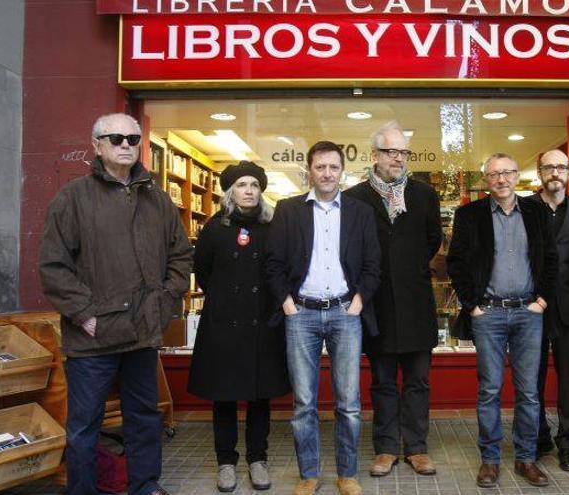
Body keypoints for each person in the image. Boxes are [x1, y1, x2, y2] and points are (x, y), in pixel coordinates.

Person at [39, 113, 191, 495]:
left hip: (142, 334)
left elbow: (181, 255)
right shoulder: (73, 198)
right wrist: (84, 314)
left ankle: (144, 486)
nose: (126, 144)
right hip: (93, 339)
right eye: (116, 138)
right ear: (97, 145)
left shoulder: (158, 200)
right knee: (84, 427)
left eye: (133, 138)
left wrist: (164, 300)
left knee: (144, 419)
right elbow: (54, 266)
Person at [265, 141, 381, 495]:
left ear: (342, 170)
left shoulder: (360, 212)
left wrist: (359, 301)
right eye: (320, 167)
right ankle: (309, 474)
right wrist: (287, 303)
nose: (327, 174)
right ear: (309, 171)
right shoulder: (288, 210)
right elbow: (273, 263)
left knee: (348, 403)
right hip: (301, 313)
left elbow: (374, 264)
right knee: (304, 404)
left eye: (333, 167)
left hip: (346, 312)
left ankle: (347, 474)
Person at [447, 153, 557, 488]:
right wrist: (472, 305)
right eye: (494, 174)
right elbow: (457, 263)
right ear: (487, 179)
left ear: (516, 175)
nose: (502, 179)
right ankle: (490, 460)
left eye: (508, 172)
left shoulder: (537, 212)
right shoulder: (469, 215)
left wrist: (541, 301)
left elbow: (551, 258)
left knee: (528, 391)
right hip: (488, 313)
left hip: (528, 312)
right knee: (490, 389)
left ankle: (526, 458)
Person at [345, 122, 443, 478]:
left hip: (416, 302)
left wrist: (409, 268)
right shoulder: (354, 198)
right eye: (391, 152)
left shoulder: (424, 195)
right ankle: (386, 448)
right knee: (382, 382)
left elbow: (433, 240)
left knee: (418, 381)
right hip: (377, 305)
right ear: (375, 155)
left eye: (403, 152)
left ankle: (416, 448)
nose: (398, 158)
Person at [188, 161, 290, 492]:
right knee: (224, 396)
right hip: (224, 324)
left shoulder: (272, 226)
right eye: (242, 185)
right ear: (230, 191)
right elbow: (202, 270)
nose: (249, 191)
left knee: (260, 397)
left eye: (255, 185)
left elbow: (281, 269)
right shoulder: (215, 227)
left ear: (262, 191)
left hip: (262, 322)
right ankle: (226, 462)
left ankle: (257, 459)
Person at [524, 149, 569, 472]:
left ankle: (568, 444)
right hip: (531, 305)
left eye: (561, 167)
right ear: (539, 172)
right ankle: (537, 438)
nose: (555, 172)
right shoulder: (524, 208)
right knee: (530, 378)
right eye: (549, 167)